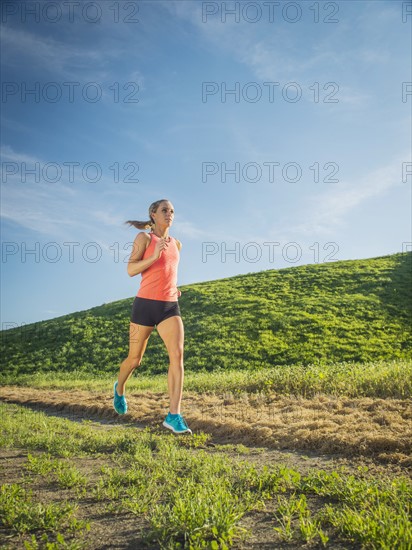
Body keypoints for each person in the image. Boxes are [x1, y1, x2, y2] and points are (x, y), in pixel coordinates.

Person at [113, 199, 192, 435]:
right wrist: (154, 255)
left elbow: (168, 271)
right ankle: (119, 388)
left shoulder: (177, 244)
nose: (170, 214)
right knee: (134, 360)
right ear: (153, 214)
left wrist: (173, 287)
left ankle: (173, 415)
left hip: (169, 306)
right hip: (144, 306)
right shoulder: (145, 239)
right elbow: (131, 270)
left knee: (177, 356)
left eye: (172, 211)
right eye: (165, 210)